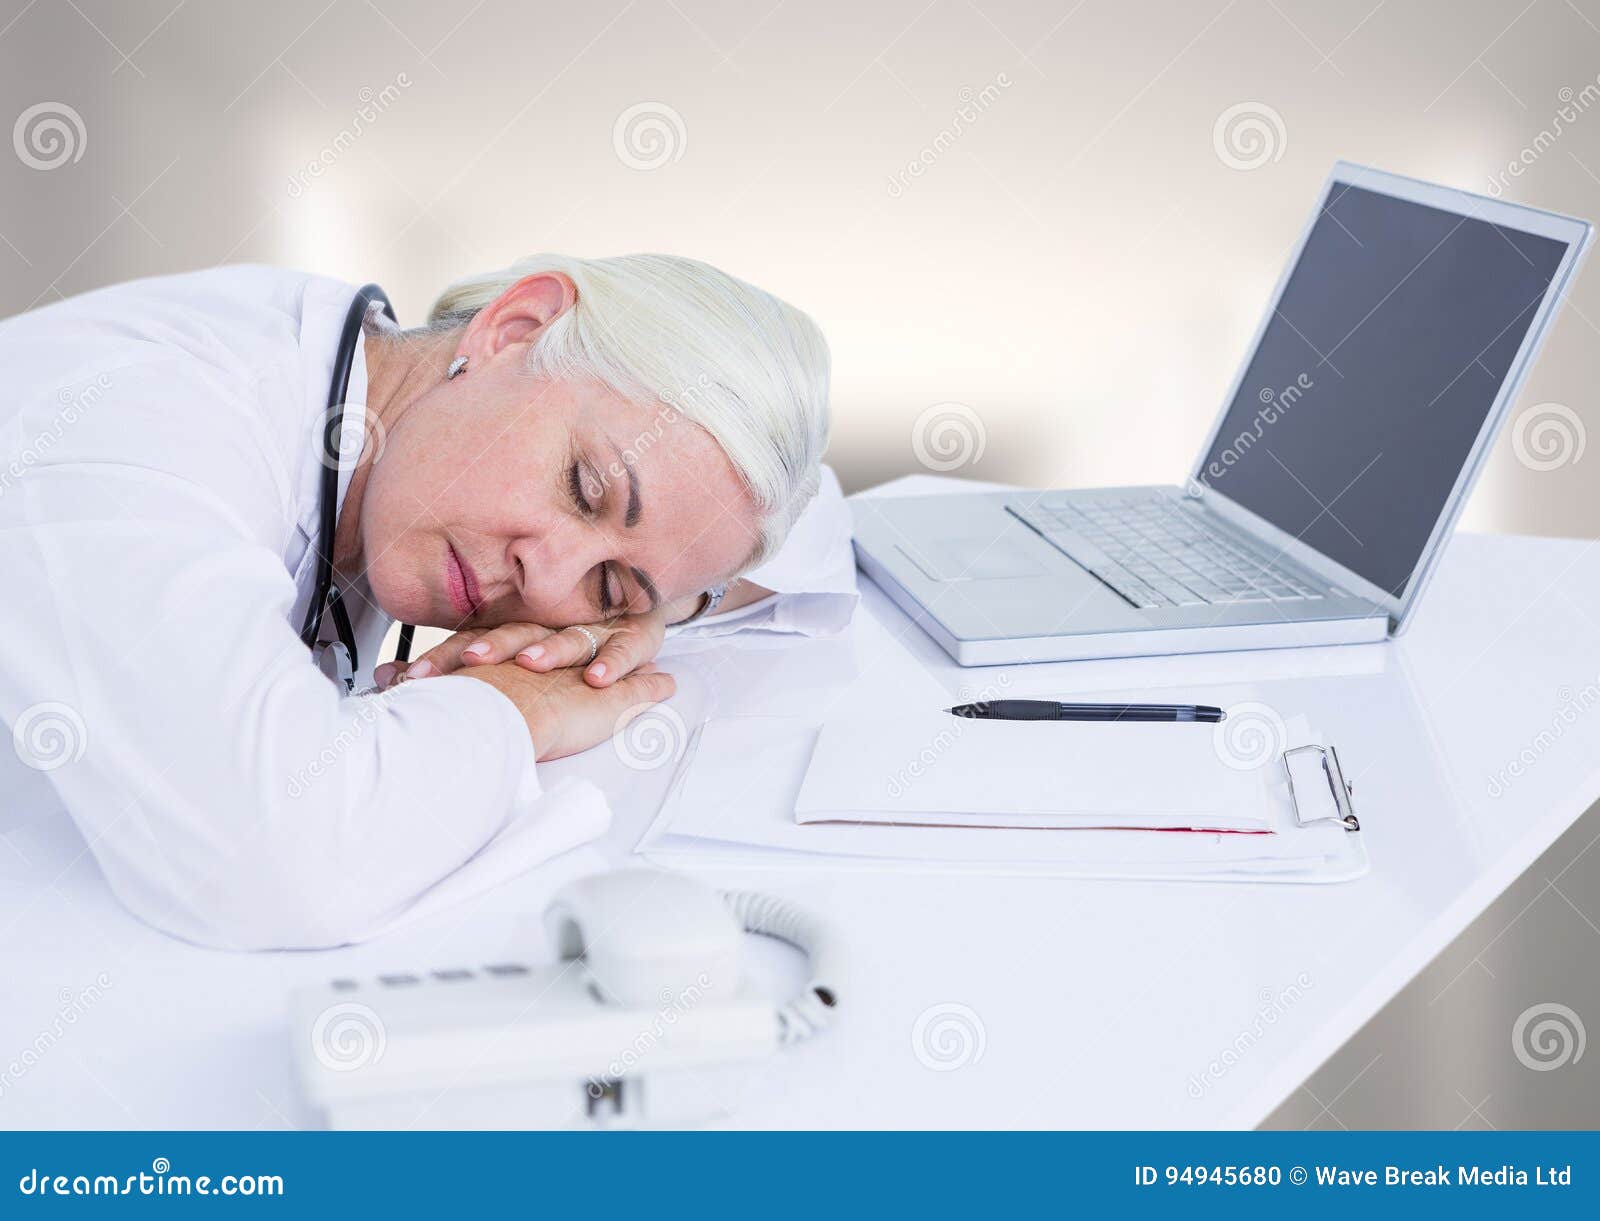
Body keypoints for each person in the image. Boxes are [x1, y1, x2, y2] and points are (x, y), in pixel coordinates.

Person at [0, 256, 856, 950]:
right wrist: (513, 706)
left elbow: (815, 530)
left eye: (604, 584)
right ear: (512, 330)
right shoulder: (140, 421)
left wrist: (649, 606)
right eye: (583, 487)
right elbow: (275, 859)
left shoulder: (380, 404)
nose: (545, 578)